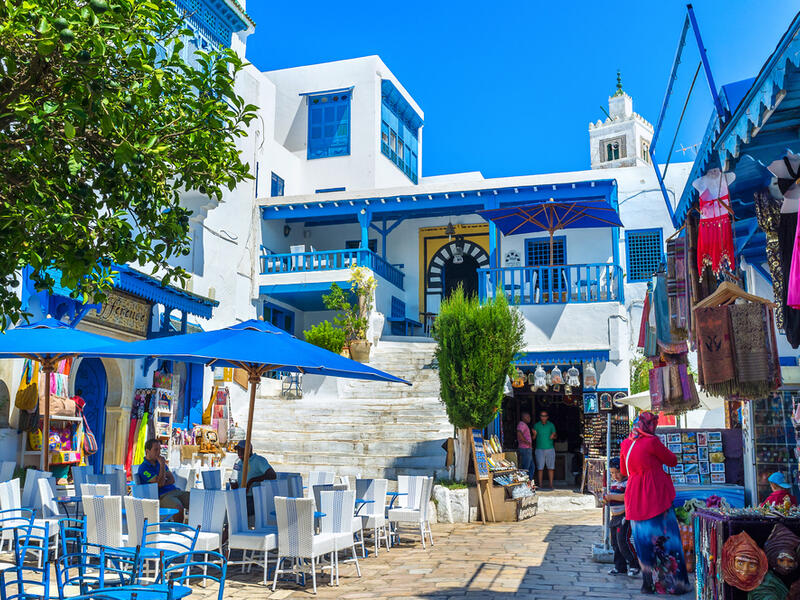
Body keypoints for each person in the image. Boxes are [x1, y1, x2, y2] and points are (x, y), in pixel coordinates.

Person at [620, 412, 691, 595]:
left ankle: (647, 584)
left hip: (634, 494)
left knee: (642, 540)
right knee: (667, 539)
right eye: (654, 424)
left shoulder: (626, 443)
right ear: (650, 425)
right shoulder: (652, 442)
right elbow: (672, 461)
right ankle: (674, 585)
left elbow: (623, 470)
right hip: (655, 494)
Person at [137, 438, 190, 522]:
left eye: (159, 449)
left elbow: (172, 480)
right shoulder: (144, 468)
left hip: (174, 491)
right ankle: (179, 529)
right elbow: (160, 484)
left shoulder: (159, 462)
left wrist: (161, 480)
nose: (159, 452)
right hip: (162, 496)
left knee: (195, 500)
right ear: (147, 451)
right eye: (156, 450)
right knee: (178, 508)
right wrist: (162, 465)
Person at [603, 457, 639, 577]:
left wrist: (611, 497)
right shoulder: (614, 484)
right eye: (612, 473)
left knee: (623, 542)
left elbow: (626, 496)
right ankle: (620, 567)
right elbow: (611, 498)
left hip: (624, 517)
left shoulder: (628, 482)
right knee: (615, 543)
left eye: (617, 472)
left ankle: (634, 565)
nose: (615, 475)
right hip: (614, 518)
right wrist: (606, 499)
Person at [230, 440, 276, 517]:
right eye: (238, 450)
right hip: (240, 495)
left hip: (254, 497)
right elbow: (234, 477)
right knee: (227, 508)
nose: (239, 453)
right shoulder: (238, 462)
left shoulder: (259, 460)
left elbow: (272, 475)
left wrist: (252, 481)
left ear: (248, 450)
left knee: (240, 512)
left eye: (241, 450)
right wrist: (233, 483)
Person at [532, 411, 556, 490]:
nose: (543, 417)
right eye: (542, 416)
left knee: (551, 468)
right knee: (540, 468)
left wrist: (553, 436)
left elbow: (555, 436)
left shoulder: (551, 425)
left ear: (547, 417)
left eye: (545, 416)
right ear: (540, 417)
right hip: (539, 449)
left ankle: (551, 485)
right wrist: (534, 434)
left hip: (550, 449)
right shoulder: (536, 425)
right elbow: (533, 438)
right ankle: (540, 485)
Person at [516, 412, 534, 482]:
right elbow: (519, 433)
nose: (529, 418)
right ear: (523, 418)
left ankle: (529, 482)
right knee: (526, 468)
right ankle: (525, 483)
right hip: (525, 449)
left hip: (527, 449)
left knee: (531, 467)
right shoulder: (522, 424)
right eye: (528, 417)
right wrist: (526, 442)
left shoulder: (524, 425)